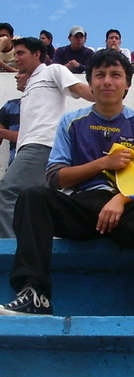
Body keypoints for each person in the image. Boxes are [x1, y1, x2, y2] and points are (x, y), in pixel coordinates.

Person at [0, 49, 134, 317]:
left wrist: (121, 198)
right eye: (99, 75)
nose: (107, 81)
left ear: (127, 84)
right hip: (80, 206)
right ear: (90, 83)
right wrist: (102, 164)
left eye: (115, 75)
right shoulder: (71, 122)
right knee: (32, 197)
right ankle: (34, 294)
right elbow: (55, 177)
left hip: (125, 210)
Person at [0, 37, 94, 238]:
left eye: (20, 53)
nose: (16, 58)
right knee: (33, 203)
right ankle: (33, 249)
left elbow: (82, 90)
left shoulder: (54, 70)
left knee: (7, 192)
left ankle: (11, 249)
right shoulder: (31, 83)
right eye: (14, 54)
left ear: (36, 54)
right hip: (30, 148)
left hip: (41, 146)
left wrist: (105, 95)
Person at [0, 73, 28, 166]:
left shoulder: (47, 107)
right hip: (14, 168)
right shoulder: (11, 106)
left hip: (39, 170)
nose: (16, 76)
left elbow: (35, 138)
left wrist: (2, 133)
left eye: (22, 72)